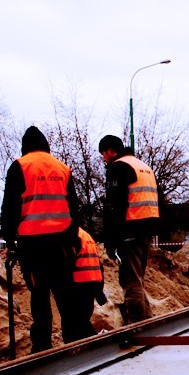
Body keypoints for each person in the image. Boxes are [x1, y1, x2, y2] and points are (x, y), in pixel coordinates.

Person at [0, 126, 80, 353]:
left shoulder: (20, 166)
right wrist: (73, 239)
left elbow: (10, 207)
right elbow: (74, 207)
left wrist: (9, 240)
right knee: (65, 294)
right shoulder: (62, 168)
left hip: (32, 244)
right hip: (61, 243)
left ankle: (42, 346)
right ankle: (73, 342)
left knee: (39, 295)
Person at [98, 135, 160, 324]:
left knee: (129, 280)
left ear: (110, 150)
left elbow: (114, 206)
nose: (103, 158)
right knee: (137, 278)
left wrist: (110, 238)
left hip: (130, 228)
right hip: (147, 227)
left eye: (103, 154)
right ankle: (147, 321)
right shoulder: (143, 166)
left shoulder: (118, 168)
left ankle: (137, 326)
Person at [64, 227, 107, 343]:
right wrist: (98, 290)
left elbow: (67, 262)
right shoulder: (85, 234)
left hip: (79, 284)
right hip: (91, 283)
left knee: (78, 322)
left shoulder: (72, 234)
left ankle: (96, 346)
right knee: (82, 320)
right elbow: (97, 264)